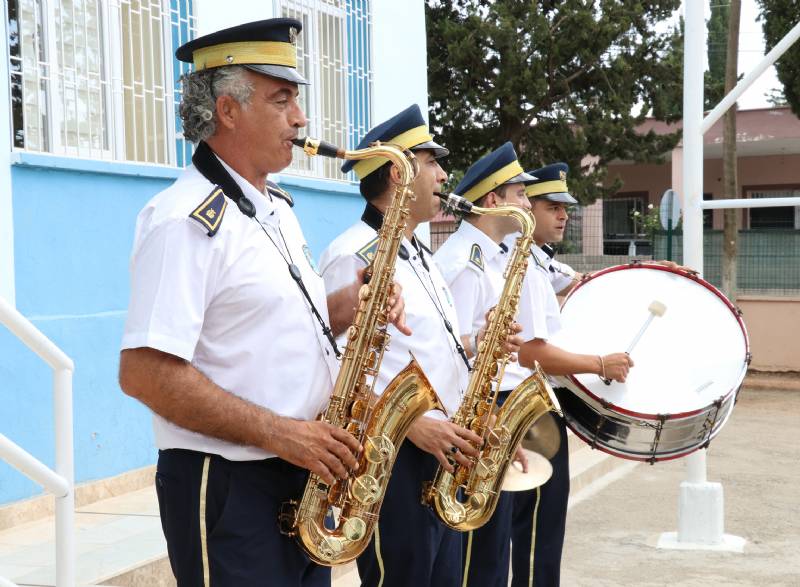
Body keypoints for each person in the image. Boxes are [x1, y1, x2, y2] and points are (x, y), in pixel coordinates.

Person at [117, 19, 407, 586]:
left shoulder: (275, 207)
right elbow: (144, 372)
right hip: (229, 484)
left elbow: (272, 320)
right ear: (228, 111)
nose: (300, 118)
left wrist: (356, 301)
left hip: (298, 476)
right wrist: (283, 433)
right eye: (282, 100)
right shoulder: (183, 220)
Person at [319, 104, 494, 587]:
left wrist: (481, 346)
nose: (443, 174)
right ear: (398, 172)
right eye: (432, 161)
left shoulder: (419, 253)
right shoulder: (353, 254)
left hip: (441, 452)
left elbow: (430, 349)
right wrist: (414, 425)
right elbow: (339, 367)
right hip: (393, 456)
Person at [508, 162, 633, 586]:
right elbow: (530, 352)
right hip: (519, 406)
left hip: (535, 403)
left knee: (545, 521)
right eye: (550, 205)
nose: (563, 215)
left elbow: (582, 282)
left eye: (566, 207)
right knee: (536, 523)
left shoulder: (541, 262)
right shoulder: (522, 266)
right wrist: (599, 364)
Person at [433, 142, 540, 587]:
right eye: (520, 195)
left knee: (493, 554)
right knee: (475, 559)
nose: (528, 204)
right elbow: (447, 357)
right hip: (464, 419)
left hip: (483, 414)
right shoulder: (461, 263)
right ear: (493, 200)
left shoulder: (490, 261)